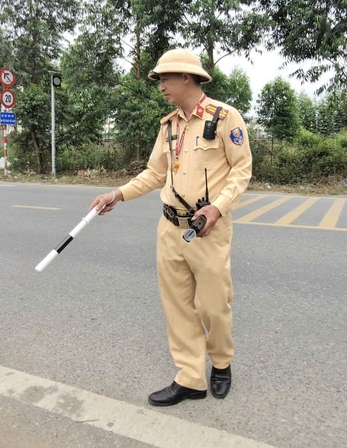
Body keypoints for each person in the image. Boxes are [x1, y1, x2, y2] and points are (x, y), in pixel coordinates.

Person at [89, 48, 252, 406]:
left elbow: (241, 171)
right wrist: (117, 193)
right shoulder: (169, 126)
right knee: (177, 306)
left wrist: (218, 208)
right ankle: (191, 377)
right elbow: (155, 173)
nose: (160, 85)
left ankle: (221, 361)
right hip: (170, 228)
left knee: (213, 305)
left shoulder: (225, 118)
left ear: (186, 78)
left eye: (165, 78)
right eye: (160, 79)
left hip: (207, 229)